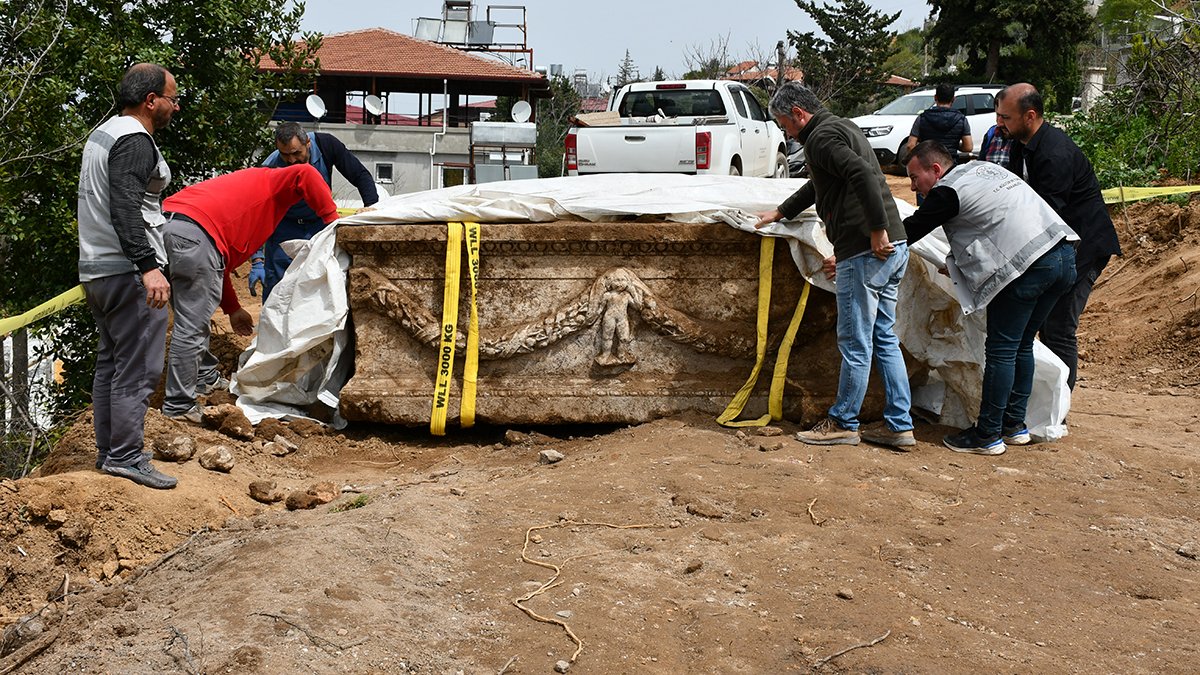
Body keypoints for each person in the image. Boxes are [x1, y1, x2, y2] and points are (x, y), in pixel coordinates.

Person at [755, 82, 914, 449]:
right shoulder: (844, 127)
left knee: (855, 342)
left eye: (784, 124)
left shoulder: (821, 139)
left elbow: (862, 175)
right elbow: (821, 185)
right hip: (895, 245)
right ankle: (899, 425)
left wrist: (874, 231)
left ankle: (843, 421)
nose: (785, 133)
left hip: (868, 250)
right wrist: (781, 212)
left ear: (798, 114)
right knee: (883, 338)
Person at [904, 141, 1078, 455]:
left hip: (1028, 268)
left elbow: (909, 231)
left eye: (916, 178)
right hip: (1062, 256)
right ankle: (1014, 426)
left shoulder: (947, 191)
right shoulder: (984, 169)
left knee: (1001, 349)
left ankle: (987, 435)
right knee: (1022, 344)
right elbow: (990, 222)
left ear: (936, 169)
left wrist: (862, 244)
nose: (914, 186)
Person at [159, 164, 339, 422]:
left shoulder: (244, 195)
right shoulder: (270, 181)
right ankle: (178, 406)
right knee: (191, 326)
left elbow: (217, 265)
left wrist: (233, 309)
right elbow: (305, 173)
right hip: (195, 237)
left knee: (191, 317)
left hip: (167, 227)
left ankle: (204, 377)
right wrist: (333, 222)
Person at [76, 63, 179, 489]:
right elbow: (125, 209)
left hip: (98, 270)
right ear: (150, 100)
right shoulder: (135, 141)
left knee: (112, 363)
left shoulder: (103, 134)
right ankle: (125, 456)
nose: (176, 106)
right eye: (173, 98)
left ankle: (111, 451)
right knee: (137, 368)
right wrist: (149, 266)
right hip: (129, 272)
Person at [996, 83, 1122, 389]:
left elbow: (1046, 216)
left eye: (1005, 118)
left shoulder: (1055, 153)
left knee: (1058, 327)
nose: (999, 124)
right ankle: (1040, 399)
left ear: (1030, 116)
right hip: (1061, 244)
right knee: (1040, 325)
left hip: (1085, 246)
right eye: (998, 116)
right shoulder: (1020, 146)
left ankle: (1057, 409)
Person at [260, 122, 378, 299]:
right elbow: (258, 213)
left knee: (321, 284)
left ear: (307, 143)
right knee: (279, 289)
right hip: (284, 228)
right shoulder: (269, 167)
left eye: (296, 153)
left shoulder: (326, 145)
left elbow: (360, 175)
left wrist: (371, 208)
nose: (291, 160)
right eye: (285, 155)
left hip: (319, 225)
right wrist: (256, 259)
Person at [906, 83, 973, 161]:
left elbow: (910, 146)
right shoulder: (961, 119)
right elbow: (968, 147)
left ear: (935, 97)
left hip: (928, 163)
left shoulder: (922, 118)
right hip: (950, 164)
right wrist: (954, 145)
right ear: (953, 99)